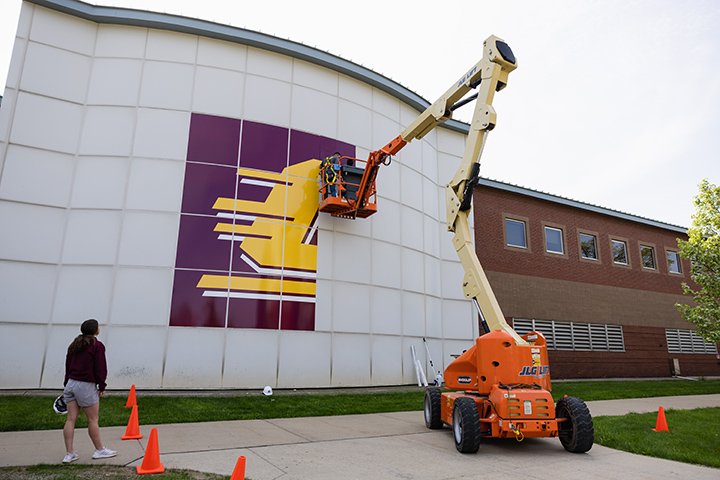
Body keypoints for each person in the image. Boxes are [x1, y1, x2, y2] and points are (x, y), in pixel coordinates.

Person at [61, 319, 116, 463]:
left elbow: (68, 365)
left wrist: (67, 382)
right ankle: (99, 450)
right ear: (95, 330)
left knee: (70, 419)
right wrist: (102, 386)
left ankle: (69, 453)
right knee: (93, 419)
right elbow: (100, 368)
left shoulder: (74, 345)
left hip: (71, 383)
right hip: (85, 386)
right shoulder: (97, 346)